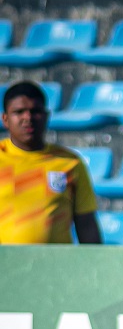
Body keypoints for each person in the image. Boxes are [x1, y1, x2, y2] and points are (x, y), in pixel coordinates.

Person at [0, 81, 102, 244]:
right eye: (19, 112)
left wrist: (98, 266)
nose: (28, 118)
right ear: (5, 119)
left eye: (35, 111)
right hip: (5, 266)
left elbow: (86, 224)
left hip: (55, 266)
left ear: (46, 116)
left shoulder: (69, 163)